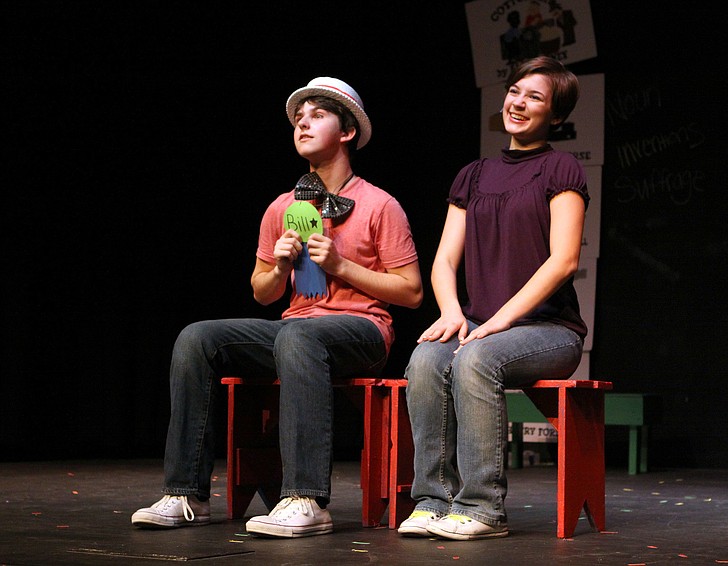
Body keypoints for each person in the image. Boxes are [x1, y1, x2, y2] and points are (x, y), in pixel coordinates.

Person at [131, 77, 423, 538]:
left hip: (362, 331)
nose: (303, 123)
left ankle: (305, 498)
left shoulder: (379, 204)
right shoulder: (282, 208)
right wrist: (282, 266)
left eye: (318, 115)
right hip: (295, 331)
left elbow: (410, 292)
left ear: (347, 132)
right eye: (298, 118)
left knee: (298, 335)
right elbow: (262, 293)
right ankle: (186, 493)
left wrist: (342, 265)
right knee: (197, 336)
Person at [398, 56, 588, 541]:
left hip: (548, 332)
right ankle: (432, 500)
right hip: (481, 327)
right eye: (515, 91)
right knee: (424, 359)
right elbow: (443, 261)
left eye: (535, 97)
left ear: (556, 115)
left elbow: (564, 260)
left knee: (475, 359)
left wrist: (499, 320)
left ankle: (483, 507)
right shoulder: (473, 175)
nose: (518, 103)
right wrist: (451, 313)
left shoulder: (560, 167)